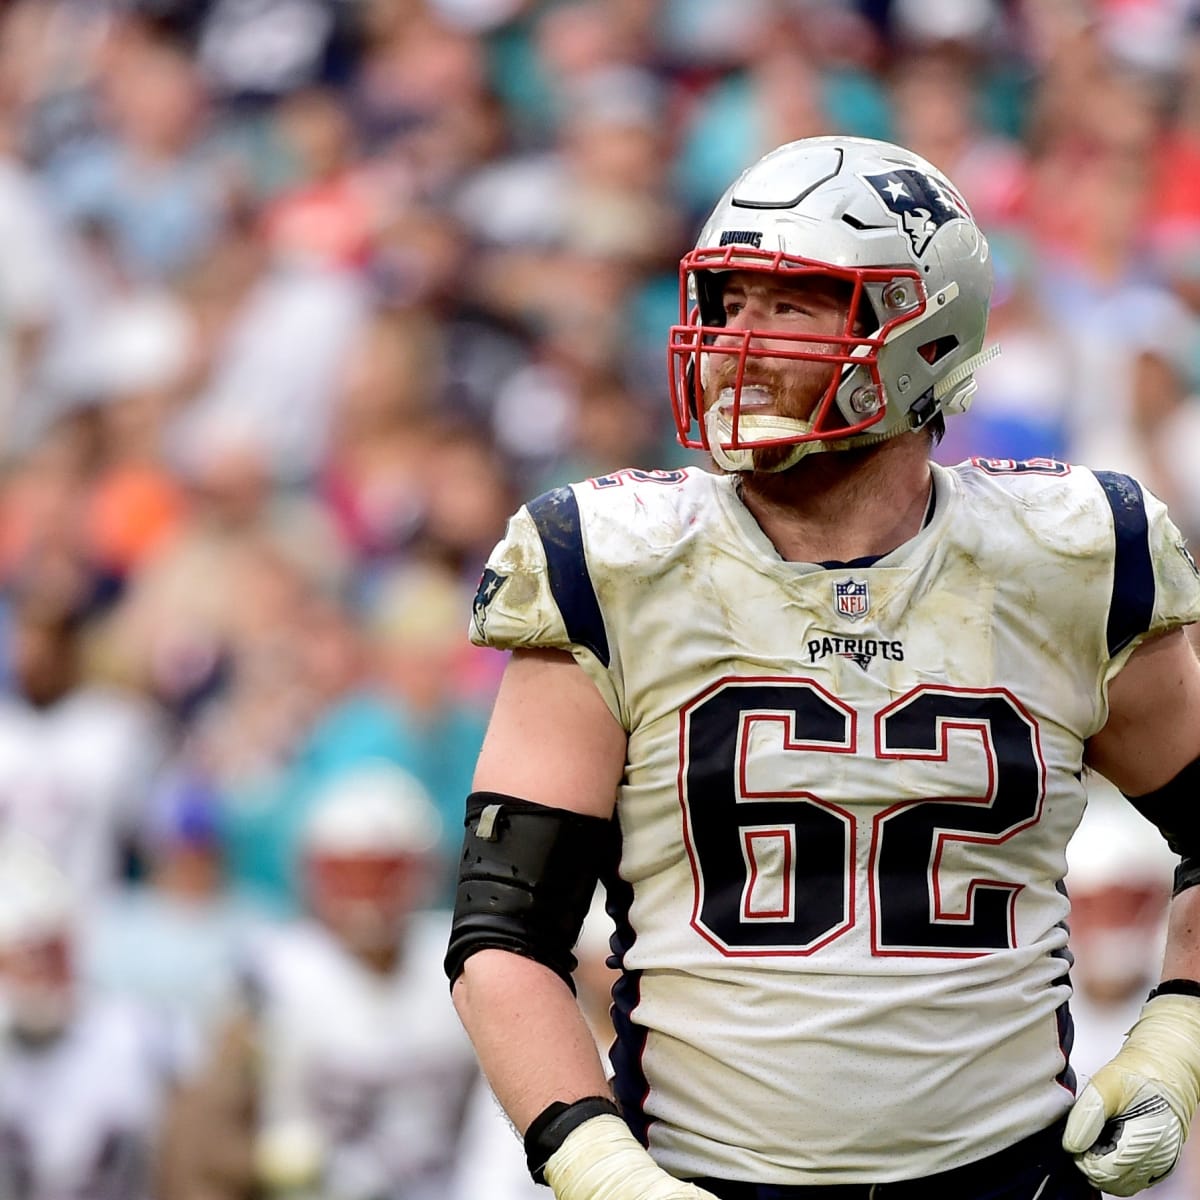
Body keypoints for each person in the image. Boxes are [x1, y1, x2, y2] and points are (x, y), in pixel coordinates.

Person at [443, 134, 1200, 1200]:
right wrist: (596, 1161)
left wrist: (1177, 1041)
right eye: (726, 299)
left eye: (788, 305)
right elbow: (503, 933)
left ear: (922, 333)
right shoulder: (616, 563)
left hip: (1008, 1177)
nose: (732, 339)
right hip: (703, 1177)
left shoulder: (1069, 556)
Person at [160, 760, 479, 1200]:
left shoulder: (465, 960)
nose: (363, 895)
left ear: (421, 872)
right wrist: (257, 1165)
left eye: (382, 872)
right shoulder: (269, 975)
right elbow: (203, 1135)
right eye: (345, 874)